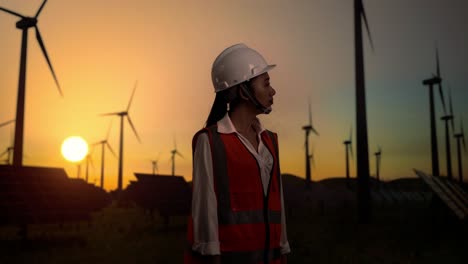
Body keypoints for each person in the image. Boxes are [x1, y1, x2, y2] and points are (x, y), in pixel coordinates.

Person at [185, 43, 290, 264]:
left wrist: (283, 249)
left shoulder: (271, 141)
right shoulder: (210, 141)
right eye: (266, 83)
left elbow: (277, 204)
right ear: (243, 91)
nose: (273, 91)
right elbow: (205, 215)